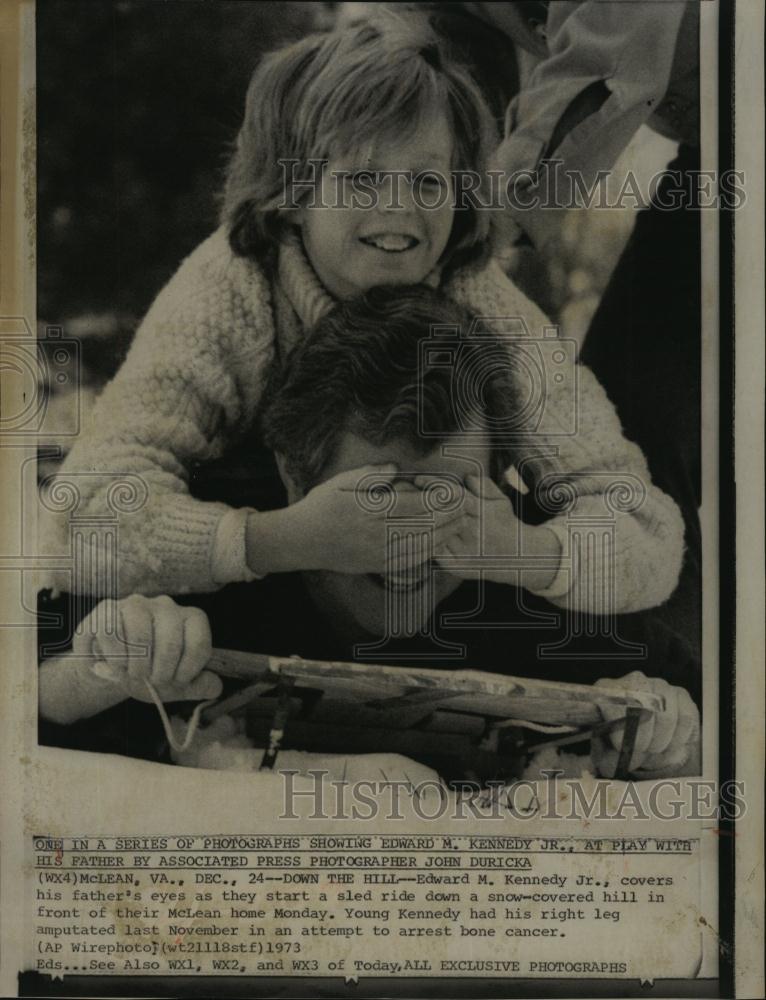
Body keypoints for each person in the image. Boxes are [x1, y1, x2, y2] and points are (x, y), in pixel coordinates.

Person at [42, 7, 683, 616]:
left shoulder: (486, 308)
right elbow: (77, 522)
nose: (402, 207)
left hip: (431, 609)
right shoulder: (228, 293)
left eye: (430, 181)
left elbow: (647, 527)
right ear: (291, 196)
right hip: (257, 594)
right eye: (364, 179)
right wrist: (282, 539)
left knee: (619, 630)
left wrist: (527, 551)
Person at [39, 287, 699, 779]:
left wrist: (669, 734)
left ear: (500, 486)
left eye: (449, 498)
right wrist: (102, 668)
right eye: (377, 497)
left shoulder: (532, 573)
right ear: (295, 480)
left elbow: (702, 711)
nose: (411, 541)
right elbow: (36, 688)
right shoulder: (202, 553)